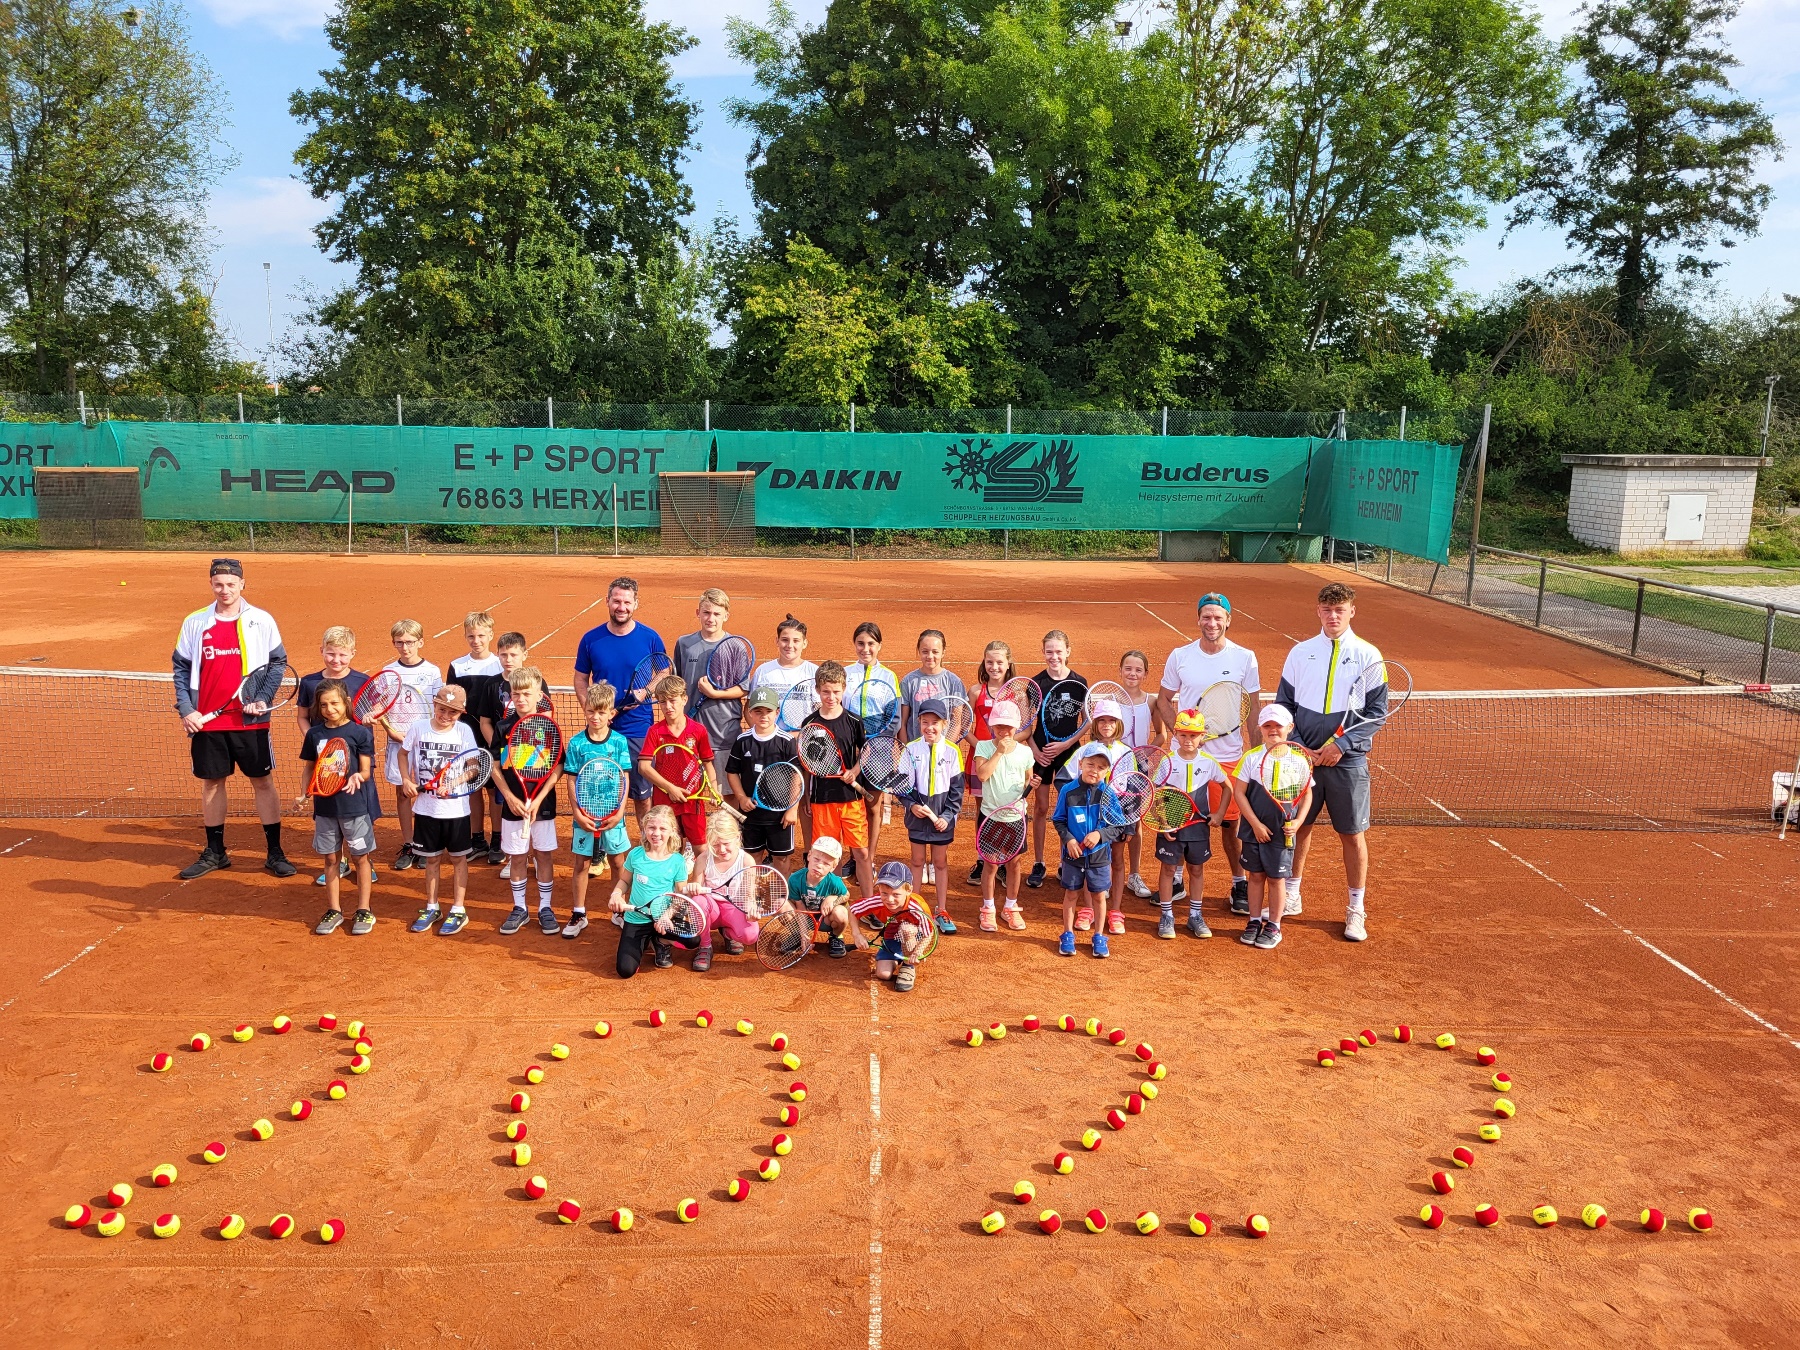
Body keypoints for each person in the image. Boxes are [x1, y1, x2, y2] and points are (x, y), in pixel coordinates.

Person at [1274, 581, 1386, 943]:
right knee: (1299, 828)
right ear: (1318, 611)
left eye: (1340, 610)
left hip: (1347, 762)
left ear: (1352, 611)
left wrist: (1342, 745)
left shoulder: (1370, 655)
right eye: (1327, 609)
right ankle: (1292, 892)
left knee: (1352, 835)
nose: (1333, 616)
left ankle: (1356, 910)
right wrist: (1299, 744)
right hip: (1303, 758)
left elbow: (1376, 712)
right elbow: (1284, 705)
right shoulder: (1300, 652)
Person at [173, 558, 295, 880]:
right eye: (218, 584)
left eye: (231, 584)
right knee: (212, 783)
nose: (224, 590)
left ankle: (274, 853)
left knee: (263, 782)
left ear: (243, 584)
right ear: (211, 585)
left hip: (251, 721)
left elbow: (278, 662)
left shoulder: (262, 620)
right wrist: (187, 709)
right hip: (207, 721)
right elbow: (181, 668)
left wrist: (263, 699)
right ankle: (215, 853)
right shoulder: (195, 622)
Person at [1157, 592, 1259, 916]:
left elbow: (1253, 708)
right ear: (1198, 619)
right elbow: (1162, 700)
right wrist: (1185, 736)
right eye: (1206, 616)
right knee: (1177, 819)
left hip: (1228, 756)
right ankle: (1174, 878)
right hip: (1183, 758)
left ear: (1228, 619)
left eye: (1218, 616)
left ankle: (1238, 881)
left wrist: (1257, 754)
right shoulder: (1180, 656)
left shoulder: (1245, 658)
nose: (1211, 622)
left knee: (1230, 826)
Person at [572, 577, 668, 829]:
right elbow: (581, 679)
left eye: (627, 602)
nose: (621, 607)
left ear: (635, 604)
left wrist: (645, 692)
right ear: (607, 602)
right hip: (602, 730)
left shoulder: (650, 637)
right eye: (616, 601)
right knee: (601, 791)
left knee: (641, 794)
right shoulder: (591, 639)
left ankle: (646, 844)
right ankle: (601, 847)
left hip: (638, 729)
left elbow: (663, 671)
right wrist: (591, 711)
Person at [294, 679, 378, 934]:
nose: (329, 708)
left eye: (334, 703)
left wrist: (358, 777)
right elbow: (310, 768)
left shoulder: (360, 733)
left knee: (360, 858)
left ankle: (364, 910)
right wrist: (304, 795)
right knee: (331, 858)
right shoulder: (315, 734)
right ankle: (334, 910)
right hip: (326, 809)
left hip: (355, 808)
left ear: (346, 703)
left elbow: (365, 770)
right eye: (324, 704)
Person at [296, 625, 374, 889]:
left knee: (362, 809)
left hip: (356, 758)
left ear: (352, 653)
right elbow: (303, 718)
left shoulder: (363, 681)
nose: (336, 660)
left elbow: (364, 721)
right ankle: (339, 861)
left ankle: (363, 858)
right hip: (325, 761)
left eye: (342, 655)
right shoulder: (308, 682)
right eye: (331, 655)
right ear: (322, 652)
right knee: (329, 812)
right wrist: (319, 744)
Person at [1230, 705, 1313, 950]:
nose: (1273, 730)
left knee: (1276, 879)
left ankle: (1274, 924)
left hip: (1282, 831)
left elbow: (1307, 796)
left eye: (1278, 725)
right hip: (1254, 830)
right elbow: (1239, 793)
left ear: (1289, 728)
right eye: (1267, 726)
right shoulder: (1251, 758)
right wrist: (1255, 824)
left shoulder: (1299, 761)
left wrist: (1297, 823)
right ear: (1260, 729)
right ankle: (1254, 921)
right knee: (1255, 876)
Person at [400, 685, 478, 935]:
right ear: (434, 705)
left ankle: (458, 909)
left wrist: (453, 784)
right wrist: (406, 779)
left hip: (456, 811)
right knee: (431, 859)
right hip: (426, 809)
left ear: (461, 713)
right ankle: (432, 906)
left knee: (458, 859)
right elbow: (403, 754)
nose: (446, 716)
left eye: (453, 713)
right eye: (442, 709)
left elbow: (474, 767)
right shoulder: (418, 728)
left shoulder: (464, 732)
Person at [491, 665, 561, 935]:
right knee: (517, 858)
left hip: (542, 805)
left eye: (526, 694)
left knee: (543, 855)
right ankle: (520, 908)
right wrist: (509, 797)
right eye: (515, 694)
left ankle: (545, 907)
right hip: (514, 806)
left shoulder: (549, 726)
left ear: (539, 696)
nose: (520, 699)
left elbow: (556, 767)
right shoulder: (503, 727)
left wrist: (539, 798)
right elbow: (495, 765)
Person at [561, 681, 633, 940]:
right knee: (581, 863)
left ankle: (618, 908)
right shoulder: (577, 743)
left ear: (611, 714)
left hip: (614, 815)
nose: (595, 717)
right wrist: (577, 813)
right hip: (585, 814)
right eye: (591, 711)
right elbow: (571, 779)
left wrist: (619, 813)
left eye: (602, 712)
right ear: (585, 710)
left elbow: (625, 778)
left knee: (617, 861)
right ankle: (579, 912)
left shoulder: (620, 743)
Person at [1152, 709, 1231, 940]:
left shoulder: (1208, 763)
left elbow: (1228, 787)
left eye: (1194, 735)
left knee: (1196, 869)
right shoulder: (1167, 761)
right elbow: (1156, 793)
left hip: (1198, 826)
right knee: (1168, 869)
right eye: (1184, 735)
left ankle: (1195, 915)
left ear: (1202, 736)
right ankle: (1166, 916)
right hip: (1172, 825)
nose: (1188, 740)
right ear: (1175, 733)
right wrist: (1163, 823)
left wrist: (1219, 814)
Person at [474, 630, 550, 868]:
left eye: (513, 654)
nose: (508, 659)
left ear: (523, 655)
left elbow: (546, 717)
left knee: (534, 805)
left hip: (535, 752)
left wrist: (529, 748)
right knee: (506, 801)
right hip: (506, 750)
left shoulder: (539, 682)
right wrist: (500, 744)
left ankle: (536, 857)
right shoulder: (491, 684)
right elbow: (485, 721)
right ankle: (512, 854)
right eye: (503, 654)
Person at [380, 619, 443, 873]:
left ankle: (426, 844)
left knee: (427, 792)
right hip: (397, 742)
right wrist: (391, 731)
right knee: (403, 793)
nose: (405, 647)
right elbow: (381, 708)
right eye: (400, 642)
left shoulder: (432, 672)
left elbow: (438, 707)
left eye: (409, 642)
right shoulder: (387, 672)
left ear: (420, 642)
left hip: (425, 743)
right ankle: (409, 843)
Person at [802, 662, 871, 895]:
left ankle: (869, 903)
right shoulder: (810, 724)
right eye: (825, 691)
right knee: (829, 855)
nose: (831, 697)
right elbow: (808, 763)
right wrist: (805, 799)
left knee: (861, 852)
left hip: (851, 799)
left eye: (836, 691)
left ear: (844, 689)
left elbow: (867, 750)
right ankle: (831, 901)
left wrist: (855, 769)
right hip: (822, 800)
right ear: (817, 689)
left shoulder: (853, 721)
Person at [1025, 630, 1086, 889]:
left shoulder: (1080, 683)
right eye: (1049, 651)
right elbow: (1028, 723)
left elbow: (1087, 720)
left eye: (1059, 651)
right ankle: (1039, 862)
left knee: (1069, 809)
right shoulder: (1035, 684)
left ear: (1068, 651)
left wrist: (1067, 743)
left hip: (1069, 754)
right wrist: (1034, 750)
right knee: (1040, 808)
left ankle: (1066, 862)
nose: (1054, 656)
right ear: (1043, 652)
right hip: (1041, 752)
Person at [1051, 744, 1123, 958]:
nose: (1095, 770)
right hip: (1073, 856)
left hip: (1099, 857)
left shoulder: (1108, 794)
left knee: (1099, 896)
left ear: (1107, 771)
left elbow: (1117, 825)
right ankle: (1067, 934)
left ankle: (1099, 936)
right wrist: (1069, 840)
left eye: (1101, 767)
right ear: (1080, 764)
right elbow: (1059, 820)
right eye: (1090, 764)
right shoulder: (1068, 790)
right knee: (1071, 894)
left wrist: (1099, 835)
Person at [639, 674, 718, 867]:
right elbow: (643, 767)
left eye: (672, 701)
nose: (668, 707)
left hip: (693, 800)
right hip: (665, 802)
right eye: (663, 702)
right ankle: (670, 892)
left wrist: (714, 789)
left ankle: (703, 891)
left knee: (701, 848)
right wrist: (670, 788)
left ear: (684, 699)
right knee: (669, 848)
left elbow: (708, 763)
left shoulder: (698, 731)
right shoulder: (655, 732)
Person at [900, 699, 965, 930]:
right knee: (917, 861)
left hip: (941, 820)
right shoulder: (910, 749)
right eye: (925, 722)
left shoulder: (953, 751)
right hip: (917, 818)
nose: (930, 727)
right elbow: (902, 787)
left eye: (935, 722)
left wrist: (947, 816)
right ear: (918, 723)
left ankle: (942, 910)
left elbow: (957, 790)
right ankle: (914, 909)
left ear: (944, 724)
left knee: (939, 862)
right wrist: (911, 805)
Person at [608, 805, 692, 978]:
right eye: (651, 828)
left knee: (693, 940)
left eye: (662, 828)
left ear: (672, 831)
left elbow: (681, 894)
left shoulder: (677, 860)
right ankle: (648, 939)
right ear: (644, 828)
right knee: (625, 970)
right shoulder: (636, 854)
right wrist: (616, 894)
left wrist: (668, 914)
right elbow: (624, 880)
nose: (656, 833)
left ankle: (660, 940)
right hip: (637, 919)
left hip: (664, 918)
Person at [971, 700, 1034, 929]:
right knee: (991, 864)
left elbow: (1028, 777)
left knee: (1014, 864)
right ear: (992, 727)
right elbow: (983, 775)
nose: (1004, 731)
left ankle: (1011, 906)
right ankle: (988, 908)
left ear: (1016, 727)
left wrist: (1032, 782)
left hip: (1016, 818)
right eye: (999, 726)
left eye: (1008, 727)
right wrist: (998, 751)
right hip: (990, 816)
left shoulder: (1026, 752)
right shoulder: (984, 747)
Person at [678, 813, 765, 971]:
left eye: (726, 843)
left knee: (750, 935)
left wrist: (751, 908)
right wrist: (693, 888)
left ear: (737, 838)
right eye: (716, 845)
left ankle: (728, 933)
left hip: (734, 908)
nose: (722, 850)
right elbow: (695, 890)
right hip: (711, 911)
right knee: (698, 901)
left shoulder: (746, 861)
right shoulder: (704, 859)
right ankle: (705, 946)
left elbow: (749, 896)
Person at [447, 611, 502, 861]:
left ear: (491, 634)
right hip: (468, 738)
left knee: (494, 789)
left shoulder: (500, 664)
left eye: (481, 635)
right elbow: (452, 701)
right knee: (472, 789)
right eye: (471, 636)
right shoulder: (458, 666)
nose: (476, 640)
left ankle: (497, 841)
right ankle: (477, 838)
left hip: (493, 737)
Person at [726, 688, 801, 869]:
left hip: (780, 814)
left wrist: (792, 808)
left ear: (776, 712)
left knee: (781, 858)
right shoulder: (742, 741)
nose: (763, 716)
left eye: (768, 711)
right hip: (751, 813)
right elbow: (732, 771)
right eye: (758, 711)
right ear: (750, 713)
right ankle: (751, 894)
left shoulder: (786, 741)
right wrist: (742, 798)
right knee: (752, 856)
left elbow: (796, 776)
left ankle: (782, 896)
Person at [680, 588, 747, 789]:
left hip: (724, 732)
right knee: (691, 793)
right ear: (698, 613)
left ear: (726, 616)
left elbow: (743, 689)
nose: (711, 618)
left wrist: (714, 694)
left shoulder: (736, 646)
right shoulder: (684, 644)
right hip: (690, 732)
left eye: (717, 614)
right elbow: (678, 684)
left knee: (726, 794)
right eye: (707, 612)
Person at [965, 639, 1016, 883]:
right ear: (984, 664)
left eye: (999, 662)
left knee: (1004, 810)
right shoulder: (976, 691)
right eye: (989, 662)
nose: (994, 666)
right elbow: (965, 726)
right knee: (982, 811)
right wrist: (982, 749)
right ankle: (982, 858)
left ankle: (1004, 862)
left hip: (1007, 761)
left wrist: (1007, 749)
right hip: (981, 758)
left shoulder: (1016, 693)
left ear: (1008, 664)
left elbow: (1025, 729)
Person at [1109, 650, 1158, 900]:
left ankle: (1135, 874)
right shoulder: (1111, 700)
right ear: (1120, 671)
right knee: (1109, 819)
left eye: (1138, 670)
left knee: (1135, 822)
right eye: (1128, 668)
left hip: (1139, 768)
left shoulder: (1151, 701)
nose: (1133, 673)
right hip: (1115, 767)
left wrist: (1147, 754)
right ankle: (1107, 874)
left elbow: (1161, 735)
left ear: (1145, 674)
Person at [849, 861, 933, 992]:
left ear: (909, 890)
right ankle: (898, 956)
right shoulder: (876, 901)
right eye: (884, 893)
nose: (890, 899)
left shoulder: (917, 907)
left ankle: (908, 966)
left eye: (896, 894)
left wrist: (918, 952)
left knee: (907, 929)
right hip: (892, 938)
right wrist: (857, 934)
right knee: (883, 974)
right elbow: (853, 910)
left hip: (914, 936)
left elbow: (929, 933)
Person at [785, 836, 856, 958]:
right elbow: (800, 907)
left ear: (833, 867)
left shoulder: (834, 881)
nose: (819, 866)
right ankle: (798, 936)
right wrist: (804, 933)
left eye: (826, 863)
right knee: (781, 904)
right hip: (805, 917)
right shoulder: (795, 879)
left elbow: (846, 895)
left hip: (825, 920)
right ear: (809, 856)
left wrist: (832, 900)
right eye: (816, 859)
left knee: (841, 913)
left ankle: (836, 936)